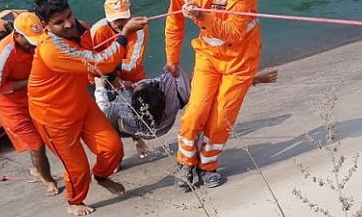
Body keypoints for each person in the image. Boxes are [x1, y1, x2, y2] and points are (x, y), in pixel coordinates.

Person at [27, 0, 147, 216]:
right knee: (77, 168)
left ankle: (101, 176)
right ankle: (74, 201)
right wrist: (126, 33)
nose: (68, 24)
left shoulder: (81, 27)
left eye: (68, 16)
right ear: (45, 25)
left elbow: (93, 58)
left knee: (112, 148)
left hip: (80, 102)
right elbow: (102, 62)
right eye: (59, 22)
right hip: (54, 117)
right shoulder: (51, 50)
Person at [164, 0, 261, 190]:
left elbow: (235, 33)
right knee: (195, 112)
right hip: (208, 54)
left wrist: (202, 17)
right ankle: (185, 162)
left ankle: (208, 165)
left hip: (240, 58)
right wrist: (172, 60)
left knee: (221, 118)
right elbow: (174, 23)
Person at [94, 67, 279, 159]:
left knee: (108, 119)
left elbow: (102, 108)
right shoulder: (177, 95)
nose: (137, 83)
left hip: (129, 127)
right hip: (161, 128)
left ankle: (121, 155)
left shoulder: (125, 107)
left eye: (137, 86)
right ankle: (138, 140)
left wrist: (99, 85)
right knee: (202, 80)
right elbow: (218, 89)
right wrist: (253, 79)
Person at [0, 12, 58, 197]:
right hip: (8, 104)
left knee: (49, 134)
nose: (33, 45)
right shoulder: (2, 55)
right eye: (29, 41)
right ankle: (48, 180)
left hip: (31, 95)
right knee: (37, 145)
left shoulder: (40, 41)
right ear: (17, 35)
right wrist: (31, 81)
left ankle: (37, 168)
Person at [89, 0, 149, 92]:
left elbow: (132, 65)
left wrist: (106, 62)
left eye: (122, 18)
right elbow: (89, 62)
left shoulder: (140, 29)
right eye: (115, 19)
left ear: (130, 14)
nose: (118, 23)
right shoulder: (97, 30)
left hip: (131, 79)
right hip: (101, 79)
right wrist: (112, 78)